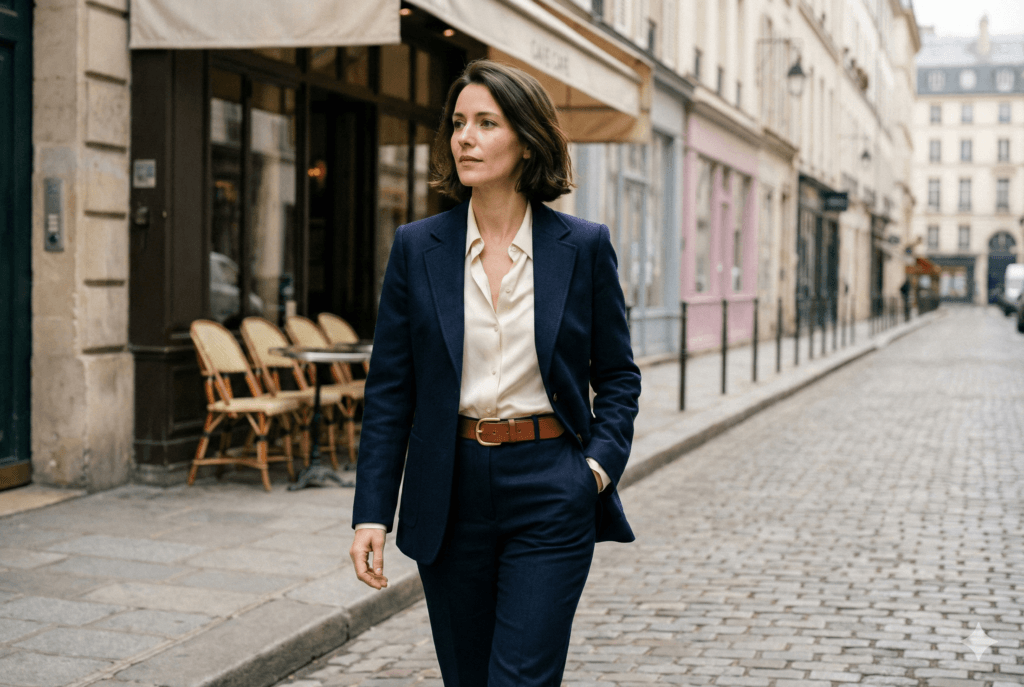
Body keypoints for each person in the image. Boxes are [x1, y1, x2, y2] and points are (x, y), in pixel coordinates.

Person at [349, 59, 641, 687]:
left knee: (521, 680)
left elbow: (617, 375)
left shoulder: (582, 246)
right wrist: (371, 511)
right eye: (458, 123)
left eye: (486, 122)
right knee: (468, 677)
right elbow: (390, 392)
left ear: (527, 138)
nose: (464, 138)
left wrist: (592, 471)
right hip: (447, 488)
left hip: (550, 484)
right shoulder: (416, 247)